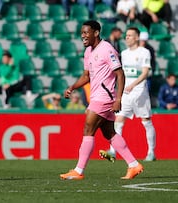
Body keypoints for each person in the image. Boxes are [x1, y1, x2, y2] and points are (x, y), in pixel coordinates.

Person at [60, 20, 143, 180]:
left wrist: (118, 99)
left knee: (88, 129)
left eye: (86, 32)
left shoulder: (107, 49)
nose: (83, 36)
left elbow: (120, 74)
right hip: (97, 96)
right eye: (82, 33)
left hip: (105, 97)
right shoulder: (88, 52)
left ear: (96, 33)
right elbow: (86, 76)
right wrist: (73, 87)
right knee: (109, 133)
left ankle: (78, 170)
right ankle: (133, 165)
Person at [100, 27, 157, 162]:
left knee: (146, 121)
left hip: (140, 93)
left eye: (130, 35)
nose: (127, 37)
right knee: (118, 120)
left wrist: (133, 85)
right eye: (126, 35)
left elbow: (145, 72)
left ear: (137, 38)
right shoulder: (124, 53)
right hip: (125, 93)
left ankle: (151, 152)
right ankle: (113, 151)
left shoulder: (144, 52)